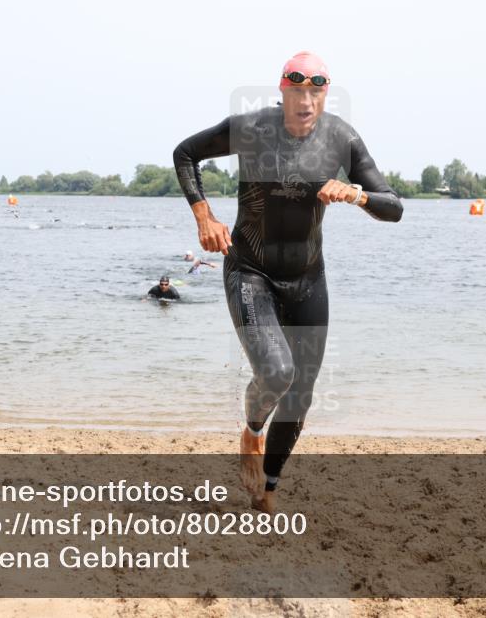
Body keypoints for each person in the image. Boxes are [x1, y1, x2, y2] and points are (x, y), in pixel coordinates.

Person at [172, 51, 403, 512]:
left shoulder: (342, 139)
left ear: (324, 93)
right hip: (250, 270)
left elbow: (393, 206)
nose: (306, 100)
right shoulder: (253, 128)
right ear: (282, 90)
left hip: (307, 278)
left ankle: (268, 490)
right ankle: (252, 431)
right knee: (277, 372)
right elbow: (186, 153)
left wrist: (356, 194)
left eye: (316, 90)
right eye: (297, 90)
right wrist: (205, 217)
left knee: (302, 394)